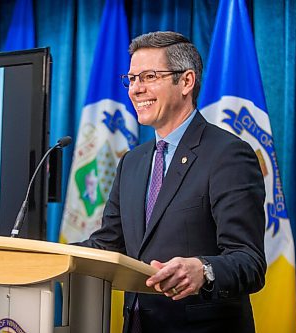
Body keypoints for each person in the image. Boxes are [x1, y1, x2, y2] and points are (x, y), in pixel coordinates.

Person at [78, 31, 266, 333]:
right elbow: (107, 244)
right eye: (132, 79)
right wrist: (42, 256)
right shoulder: (132, 162)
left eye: (149, 76)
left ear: (186, 82)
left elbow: (249, 262)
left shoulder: (228, 155)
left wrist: (204, 270)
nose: (136, 89)